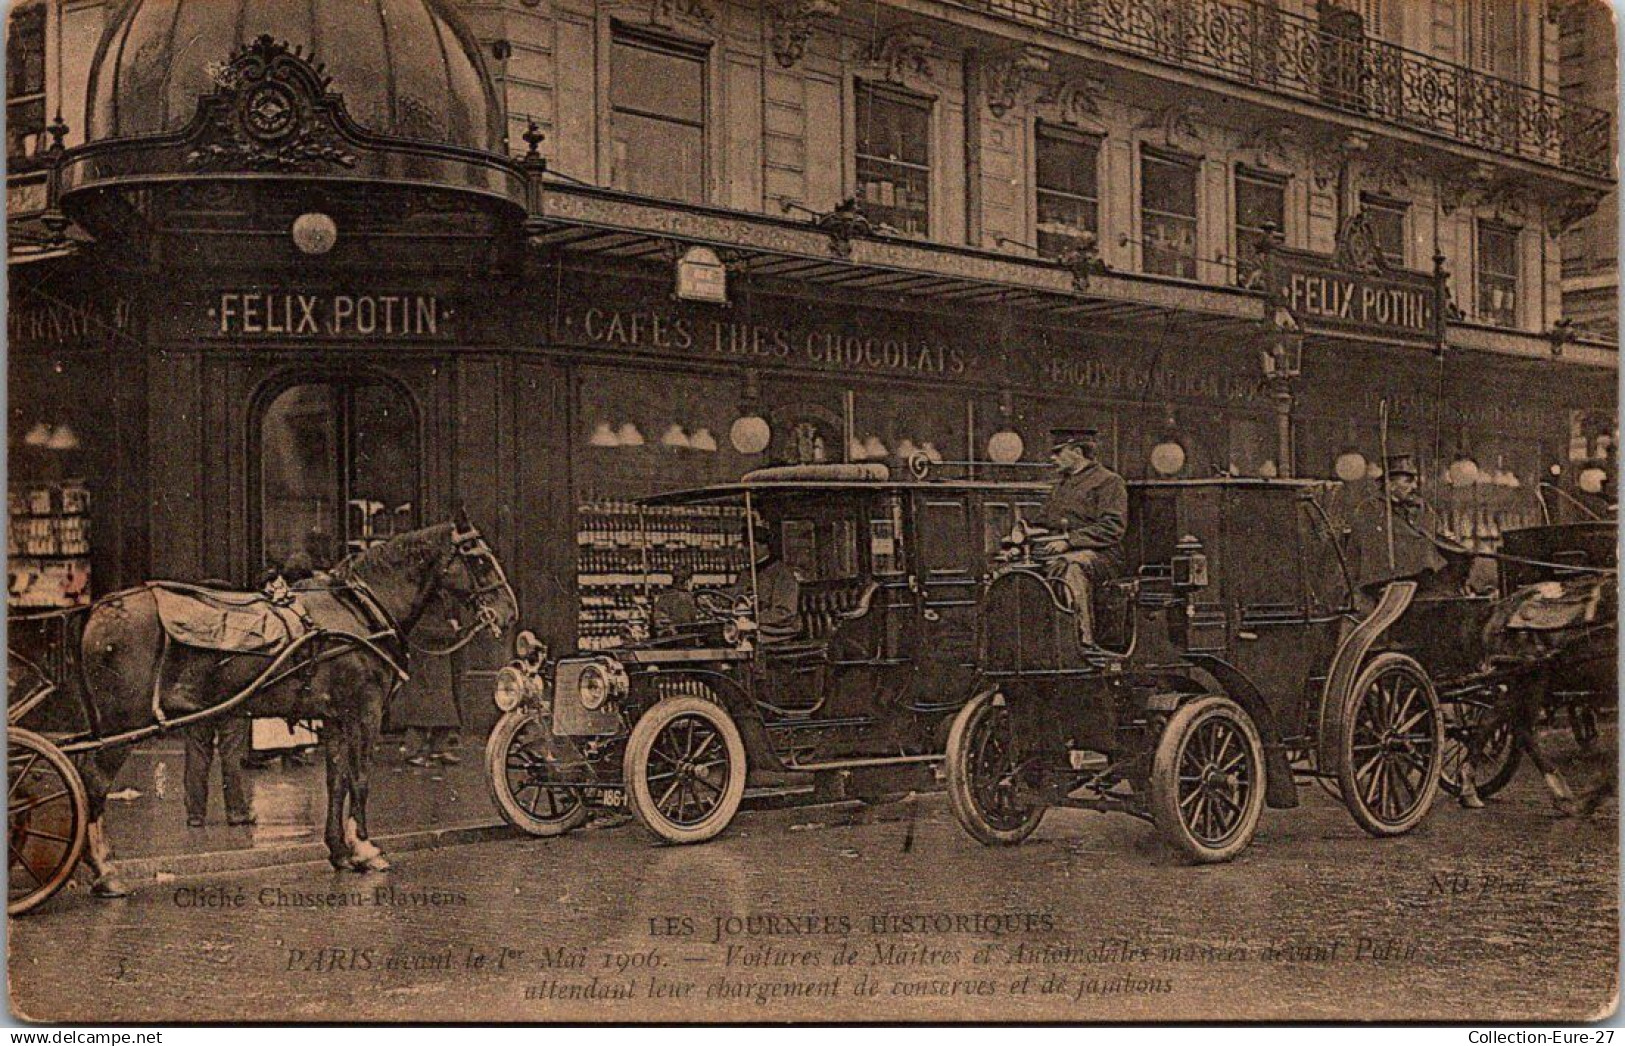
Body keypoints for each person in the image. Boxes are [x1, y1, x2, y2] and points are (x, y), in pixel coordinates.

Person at [1031, 428, 1128, 646]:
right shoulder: (1061, 486)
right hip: (1063, 552)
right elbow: (1043, 522)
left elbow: (1112, 527)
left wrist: (1069, 541)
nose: (1052, 458)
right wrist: (1026, 534)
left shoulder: (1109, 481)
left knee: (1071, 567)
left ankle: (1082, 642)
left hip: (1102, 556)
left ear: (1077, 451)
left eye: (1058, 452)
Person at [1343, 453, 1451, 604]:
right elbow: (1368, 551)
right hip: (1383, 586)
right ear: (1390, 484)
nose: (1414, 487)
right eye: (1408, 481)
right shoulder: (1370, 510)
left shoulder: (1421, 508)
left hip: (1424, 583)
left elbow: (1437, 536)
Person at [183, 714, 255, 827]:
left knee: (197, 755)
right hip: (232, 702)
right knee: (232, 755)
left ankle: (195, 814)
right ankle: (237, 812)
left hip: (196, 704)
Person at [738, 529, 801, 645]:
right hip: (751, 624)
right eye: (744, 546)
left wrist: (753, 619)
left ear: (765, 546)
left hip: (778, 630)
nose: (745, 550)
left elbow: (784, 613)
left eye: (751, 546)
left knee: (741, 634)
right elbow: (735, 597)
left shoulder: (782, 574)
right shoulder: (745, 574)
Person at [652, 564, 702, 635]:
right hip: (685, 638)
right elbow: (693, 622)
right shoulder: (687, 598)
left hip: (668, 638)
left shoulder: (664, 597)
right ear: (687, 582)